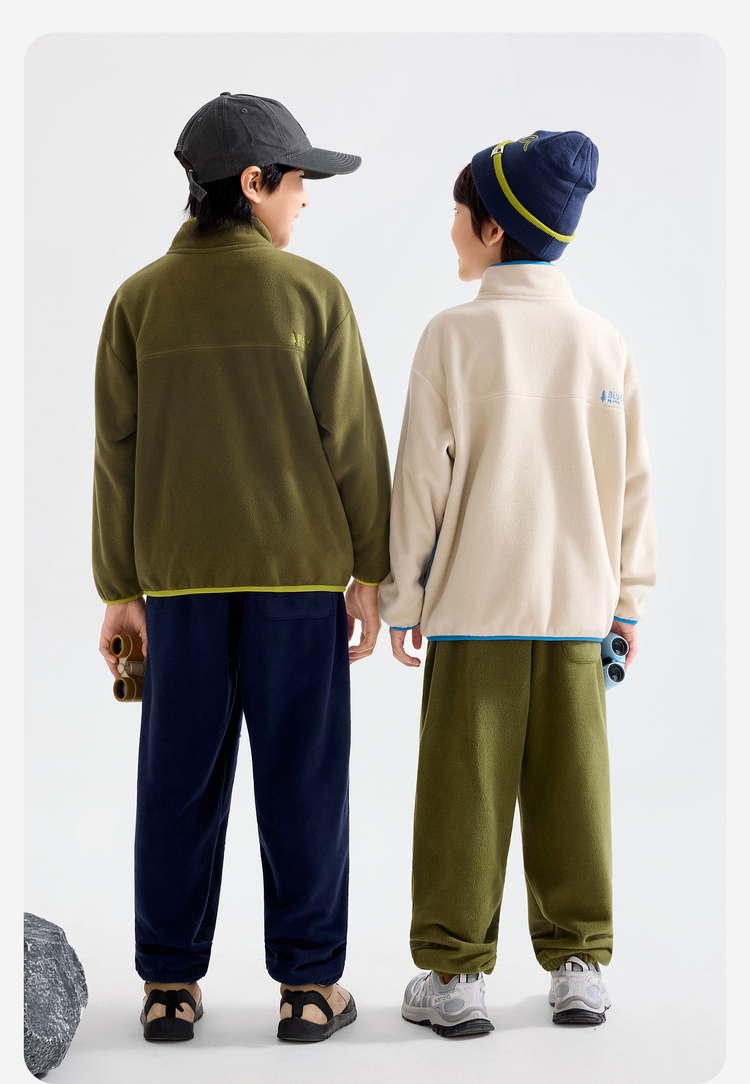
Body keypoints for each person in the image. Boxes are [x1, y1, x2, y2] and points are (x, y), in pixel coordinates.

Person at [93, 92, 391, 1044]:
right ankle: (309, 989)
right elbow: (355, 445)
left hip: (177, 586)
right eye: (297, 181)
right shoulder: (313, 294)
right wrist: (371, 571)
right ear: (253, 183)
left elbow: (116, 457)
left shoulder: (137, 301)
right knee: (303, 780)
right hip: (298, 582)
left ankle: (168, 987)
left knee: (176, 781)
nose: (305, 199)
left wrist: (119, 589)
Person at [379, 130, 657, 1037]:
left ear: (493, 229)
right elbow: (632, 486)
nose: (451, 228)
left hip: (474, 611)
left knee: (461, 792)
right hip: (579, 612)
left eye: (460, 213)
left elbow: (419, 486)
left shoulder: (453, 338)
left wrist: (403, 600)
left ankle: (455, 977)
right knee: (575, 787)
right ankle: (580, 966)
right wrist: (628, 601)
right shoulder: (604, 343)